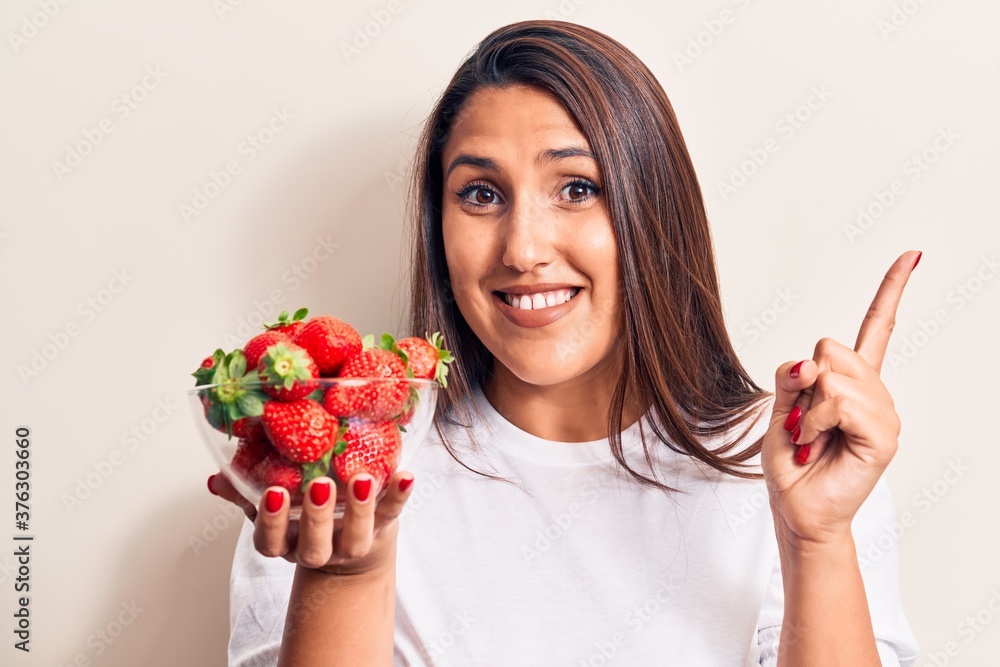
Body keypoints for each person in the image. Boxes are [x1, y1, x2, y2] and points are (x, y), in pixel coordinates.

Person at [209, 20, 921, 666]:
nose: (523, 249)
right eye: (481, 194)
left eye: (577, 187)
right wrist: (344, 572)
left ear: (654, 211)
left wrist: (815, 541)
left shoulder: (789, 465)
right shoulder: (335, 481)